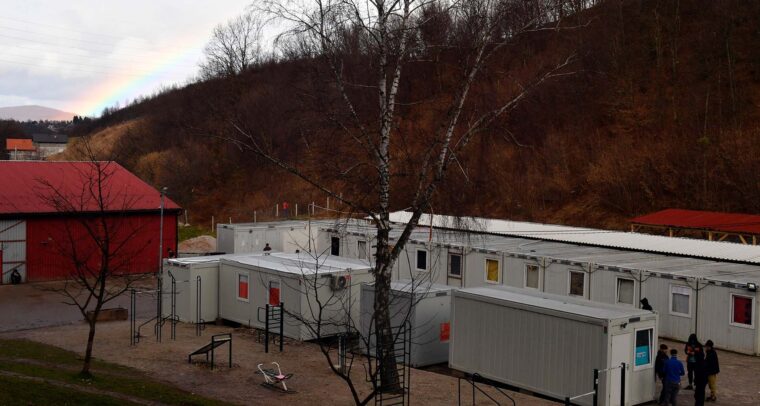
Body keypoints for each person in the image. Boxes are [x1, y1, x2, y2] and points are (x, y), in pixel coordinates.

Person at [693, 340, 707, 406]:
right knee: (700, 395)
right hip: (702, 380)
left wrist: (696, 380)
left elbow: (698, 372)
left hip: (700, 380)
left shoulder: (699, 361)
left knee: (698, 395)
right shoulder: (701, 358)